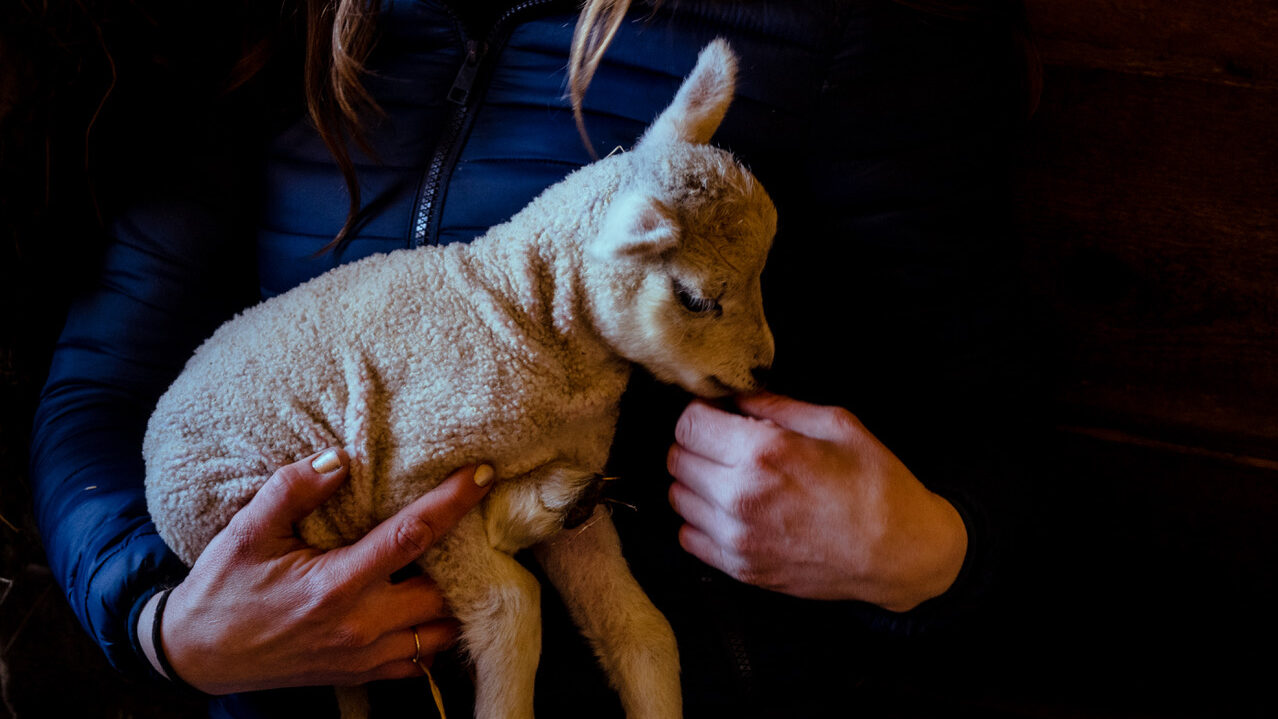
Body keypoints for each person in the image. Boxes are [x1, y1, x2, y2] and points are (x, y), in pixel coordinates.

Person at [29, 0, 1033, 716]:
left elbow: (993, 424)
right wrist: (166, 623)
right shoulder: (289, 25)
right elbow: (102, 384)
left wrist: (926, 553)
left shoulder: (845, 28)